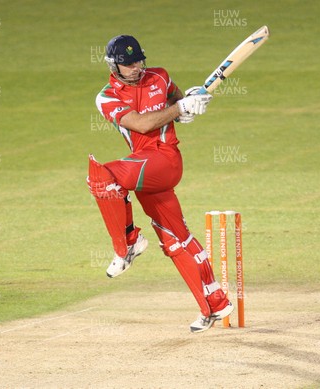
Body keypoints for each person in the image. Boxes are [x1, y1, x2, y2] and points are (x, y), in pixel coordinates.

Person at [87, 34, 233, 333]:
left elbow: (177, 99)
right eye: (128, 64)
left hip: (165, 160)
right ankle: (214, 304)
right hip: (143, 167)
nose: (137, 67)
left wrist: (191, 103)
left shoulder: (160, 76)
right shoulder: (106, 97)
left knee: (103, 176)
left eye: (139, 60)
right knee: (175, 240)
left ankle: (127, 243)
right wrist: (181, 109)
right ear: (114, 66)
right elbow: (141, 123)